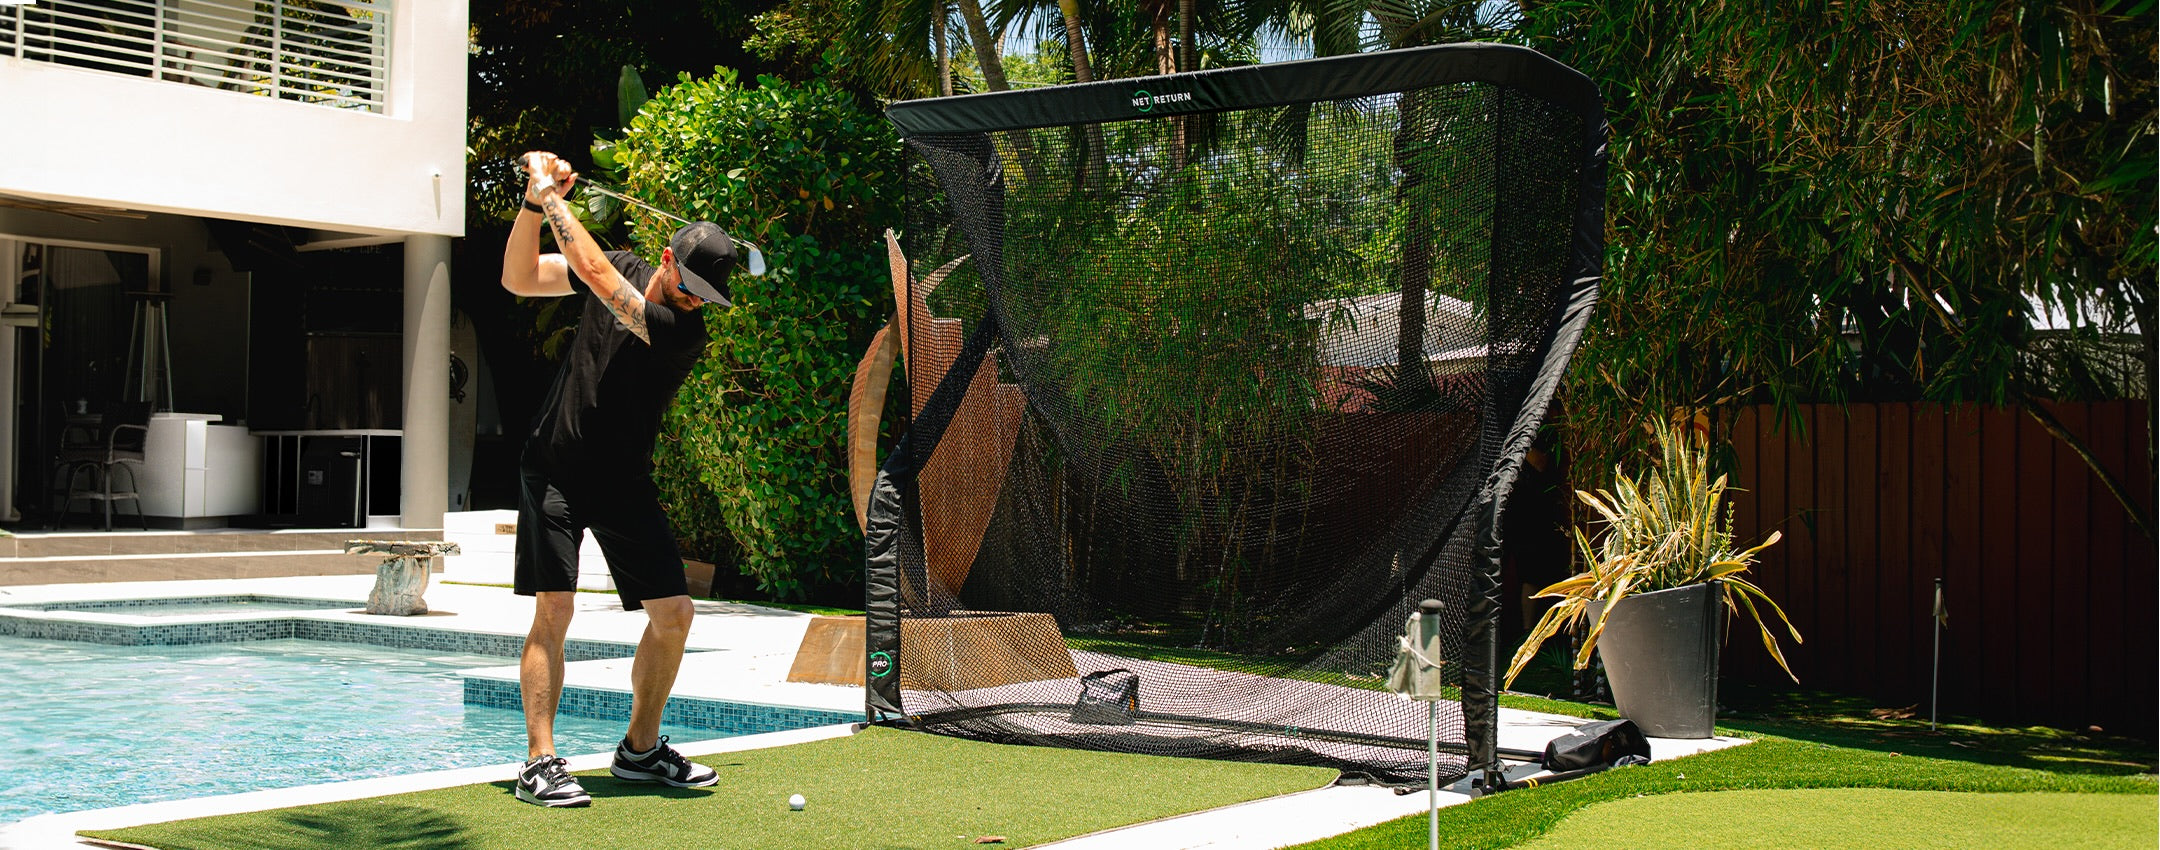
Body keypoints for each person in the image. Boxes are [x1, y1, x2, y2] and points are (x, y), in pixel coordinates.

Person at [500, 151, 738, 808]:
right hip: (555, 467)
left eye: (705, 294)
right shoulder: (630, 267)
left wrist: (551, 197)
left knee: (674, 614)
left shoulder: (680, 333)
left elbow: (598, 275)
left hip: (622, 480)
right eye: (689, 283)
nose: (694, 299)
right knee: (557, 608)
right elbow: (521, 277)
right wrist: (531, 201)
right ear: (667, 258)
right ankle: (540, 762)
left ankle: (639, 749)